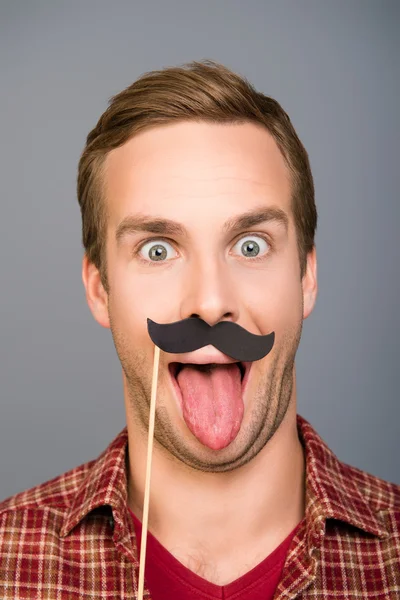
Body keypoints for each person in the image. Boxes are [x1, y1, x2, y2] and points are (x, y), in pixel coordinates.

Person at [0, 59, 399, 600]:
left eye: (250, 245)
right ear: (100, 289)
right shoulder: (10, 556)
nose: (210, 305)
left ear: (306, 276)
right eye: (158, 250)